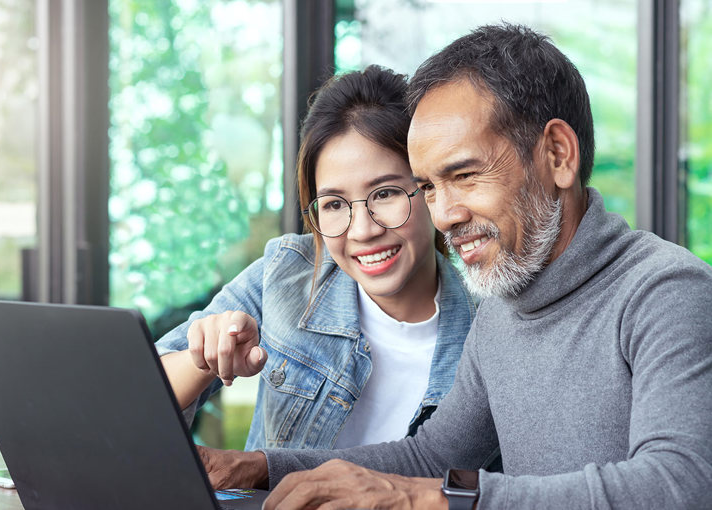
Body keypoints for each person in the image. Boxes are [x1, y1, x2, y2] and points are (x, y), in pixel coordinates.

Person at [196, 24, 712, 509]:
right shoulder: (502, 315)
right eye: (428, 188)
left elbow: (679, 484)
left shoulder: (666, 291)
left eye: (464, 175)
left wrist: (426, 499)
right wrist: (254, 466)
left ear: (557, 155)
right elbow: (429, 457)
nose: (444, 216)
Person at [155, 65, 477, 452]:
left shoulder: (486, 329)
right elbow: (138, 398)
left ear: (429, 189)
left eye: (386, 194)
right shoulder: (287, 273)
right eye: (335, 204)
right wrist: (203, 359)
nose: (362, 230)